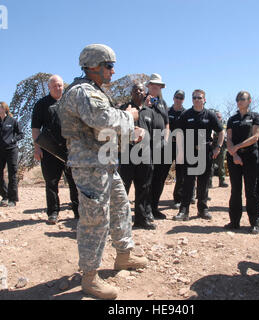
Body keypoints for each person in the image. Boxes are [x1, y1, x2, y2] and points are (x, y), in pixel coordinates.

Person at [59, 44, 147, 300]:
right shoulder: (83, 92)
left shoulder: (95, 91)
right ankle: (89, 277)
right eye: (109, 66)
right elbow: (104, 120)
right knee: (95, 220)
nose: (113, 70)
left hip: (104, 163)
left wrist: (129, 133)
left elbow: (103, 128)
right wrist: (130, 115)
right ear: (93, 66)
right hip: (90, 166)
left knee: (120, 206)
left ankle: (124, 256)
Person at [31, 75, 80, 225]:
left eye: (59, 85)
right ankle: (53, 213)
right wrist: (37, 148)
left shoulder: (70, 102)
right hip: (49, 149)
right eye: (54, 86)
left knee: (74, 181)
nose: (57, 88)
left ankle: (78, 212)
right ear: (49, 88)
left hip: (70, 149)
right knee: (51, 182)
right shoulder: (41, 104)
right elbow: (35, 128)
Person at [173, 89, 224, 221]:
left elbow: (221, 132)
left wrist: (217, 148)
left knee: (203, 182)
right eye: (194, 97)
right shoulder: (186, 114)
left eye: (199, 98)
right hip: (189, 151)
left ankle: (203, 209)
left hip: (205, 151)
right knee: (188, 182)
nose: (197, 100)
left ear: (204, 100)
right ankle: (184, 211)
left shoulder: (210, 115)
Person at [119, 83, 156, 230]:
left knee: (144, 188)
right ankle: (119, 221)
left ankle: (141, 219)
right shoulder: (124, 109)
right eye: (135, 90)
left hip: (145, 156)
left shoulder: (149, 112)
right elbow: (118, 129)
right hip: (127, 154)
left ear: (145, 93)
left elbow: (153, 134)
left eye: (141, 90)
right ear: (131, 93)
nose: (138, 92)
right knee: (123, 189)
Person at [225, 91, 259, 234]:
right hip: (234, 158)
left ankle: (254, 223)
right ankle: (234, 221)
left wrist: (237, 147)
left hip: (250, 157)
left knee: (251, 191)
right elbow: (229, 138)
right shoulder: (232, 119)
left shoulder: (255, 117)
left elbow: (255, 137)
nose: (239, 101)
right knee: (235, 190)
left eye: (242, 99)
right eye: (237, 99)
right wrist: (234, 154)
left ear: (249, 100)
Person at [145, 74, 170, 220]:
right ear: (148, 85)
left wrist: (166, 139)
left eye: (158, 85)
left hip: (161, 145)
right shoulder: (143, 100)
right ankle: (145, 210)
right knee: (147, 178)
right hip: (147, 145)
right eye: (153, 84)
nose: (156, 87)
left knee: (159, 179)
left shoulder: (163, 103)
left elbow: (167, 123)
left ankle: (154, 208)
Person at [0, 102, 23, 207]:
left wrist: (13, 140)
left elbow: (21, 134)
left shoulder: (13, 121)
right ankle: (4, 196)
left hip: (11, 150)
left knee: (12, 174)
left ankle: (12, 199)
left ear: (5, 109)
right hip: (0, 151)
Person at [164, 90, 186, 209]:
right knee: (162, 173)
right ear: (173, 98)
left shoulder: (186, 113)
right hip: (167, 147)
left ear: (183, 99)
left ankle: (178, 199)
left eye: (181, 98)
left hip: (180, 147)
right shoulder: (167, 111)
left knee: (181, 174)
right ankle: (153, 199)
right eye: (177, 97)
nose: (179, 99)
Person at [210, 111, 228, 188]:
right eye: (216, 117)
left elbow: (226, 135)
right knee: (210, 165)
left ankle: (222, 181)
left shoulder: (224, 125)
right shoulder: (211, 125)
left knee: (221, 165)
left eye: (219, 117)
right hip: (212, 146)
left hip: (222, 147)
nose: (218, 118)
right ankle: (209, 182)